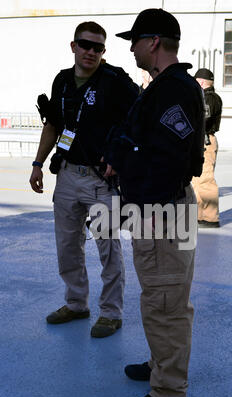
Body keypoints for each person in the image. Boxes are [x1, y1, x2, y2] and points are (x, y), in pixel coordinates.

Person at [103, 8, 205, 397]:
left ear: (155, 42)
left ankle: (169, 393)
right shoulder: (165, 86)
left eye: (135, 40)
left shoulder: (173, 89)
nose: (130, 48)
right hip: (160, 209)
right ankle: (159, 364)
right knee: (163, 298)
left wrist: (120, 153)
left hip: (161, 212)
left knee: (166, 302)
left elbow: (168, 156)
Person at [29, 21, 139, 337]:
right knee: (66, 245)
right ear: (73, 46)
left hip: (101, 180)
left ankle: (111, 312)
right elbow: (53, 124)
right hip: (66, 175)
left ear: (103, 51)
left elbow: (140, 117)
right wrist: (38, 163)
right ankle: (77, 304)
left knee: (108, 247)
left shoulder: (115, 80)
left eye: (97, 47)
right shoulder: (62, 81)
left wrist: (121, 156)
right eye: (85, 44)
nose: (90, 51)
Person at [192, 68, 222, 228]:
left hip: (205, 142)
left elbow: (204, 118)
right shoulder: (204, 97)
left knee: (206, 179)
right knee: (197, 180)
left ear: (201, 82)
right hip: (200, 141)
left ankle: (210, 217)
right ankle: (200, 215)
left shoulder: (211, 98)